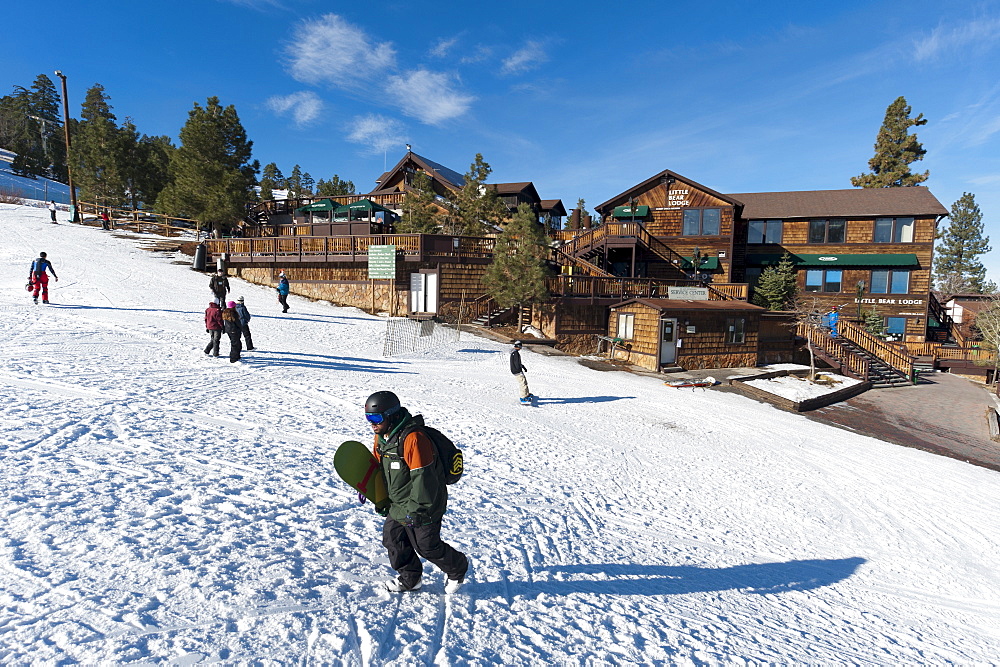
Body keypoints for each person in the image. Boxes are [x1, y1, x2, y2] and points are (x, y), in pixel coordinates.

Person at [365, 391, 469, 594]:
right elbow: (377, 467)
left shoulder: (414, 439)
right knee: (393, 539)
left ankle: (458, 567)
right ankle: (410, 579)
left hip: (425, 504)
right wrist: (370, 489)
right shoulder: (381, 439)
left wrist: (417, 510)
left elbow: (425, 479)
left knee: (426, 545)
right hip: (399, 502)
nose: (372, 424)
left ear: (392, 415)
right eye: (368, 418)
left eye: (376, 418)